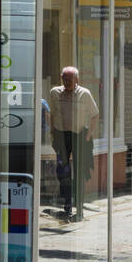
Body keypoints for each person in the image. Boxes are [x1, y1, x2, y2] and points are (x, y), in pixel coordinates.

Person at [48, 66, 99, 222]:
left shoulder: (85, 93)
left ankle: (79, 207)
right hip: (61, 135)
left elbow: (95, 115)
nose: (67, 82)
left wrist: (88, 136)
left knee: (79, 173)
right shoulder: (55, 93)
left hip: (79, 136)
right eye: (64, 79)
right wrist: (52, 132)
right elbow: (52, 114)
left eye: (70, 79)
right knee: (63, 172)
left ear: (77, 79)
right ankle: (67, 206)